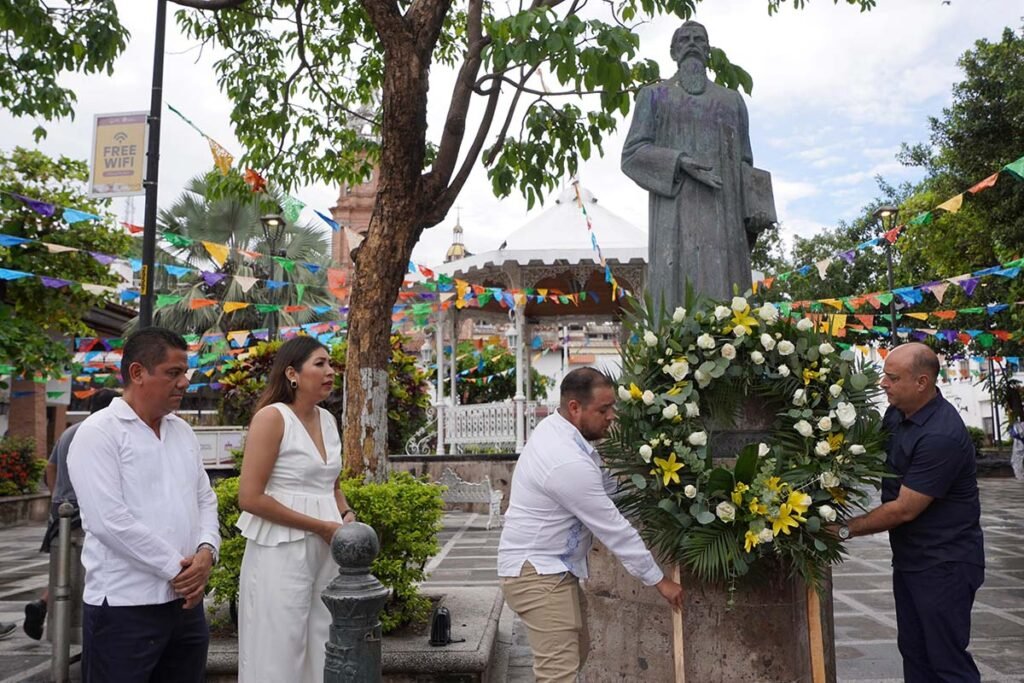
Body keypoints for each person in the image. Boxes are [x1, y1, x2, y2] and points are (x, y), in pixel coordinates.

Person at [497, 367, 684, 683]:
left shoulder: (565, 437)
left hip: (552, 571)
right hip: (537, 574)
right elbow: (614, 528)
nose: (612, 416)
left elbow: (609, 489)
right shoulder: (565, 460)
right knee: (558, 674)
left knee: (575, 655)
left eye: (612, 407)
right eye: (603, 409)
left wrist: (665, 497)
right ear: (574, 408)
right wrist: (660, 582)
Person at [67, 328, 220, 682]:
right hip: (125, 606)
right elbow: (108, 521)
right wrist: (180, 570)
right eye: (173, 372)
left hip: (185, 605)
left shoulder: (182, 432)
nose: (184, 382)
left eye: (185, 372)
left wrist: (207, 551)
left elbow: (205, 499)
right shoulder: (98, 433)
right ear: (137, 373)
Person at [832, 343, 984, 683]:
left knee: (946, 662)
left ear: (922, 382)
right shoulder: (898, 414)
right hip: (913, 559)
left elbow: (904, 510)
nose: (883, 384)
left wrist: (845, 528)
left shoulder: (941, 434)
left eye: (892, 377)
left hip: (945, 563)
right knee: (915, 654)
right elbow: (869, 453)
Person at [621, 20, 773, 307]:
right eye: (685, 39)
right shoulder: (653, 95)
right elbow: (632, 153)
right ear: (674, 51)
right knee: (676, 301)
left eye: (699, 39)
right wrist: (679, 162)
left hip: (726, 218)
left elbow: (745, 162)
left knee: (731, 303)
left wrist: (758, 210)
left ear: (707, 50)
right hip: (674, 214)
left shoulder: (732, 101)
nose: (692, 43)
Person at [236, 336, 355, 682]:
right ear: (292, 373)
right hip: (281, 549)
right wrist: (320, 526)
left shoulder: (328, 420)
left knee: (323, 642)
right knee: (280, 648)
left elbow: (331, 484)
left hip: (328, 546)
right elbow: (250, 497)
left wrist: (345, 513)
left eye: (330, 364)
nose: (330, 371)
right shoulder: (272, 418)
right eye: (320, 364)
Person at [23, 388, 118, 641]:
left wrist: (56, 495)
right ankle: (75, 628)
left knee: (64, 564)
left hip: (61, 508)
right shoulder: (101, 431)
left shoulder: (69, 431)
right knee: (84, 567)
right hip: (82, 508)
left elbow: (50, 467)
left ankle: (43, 605)